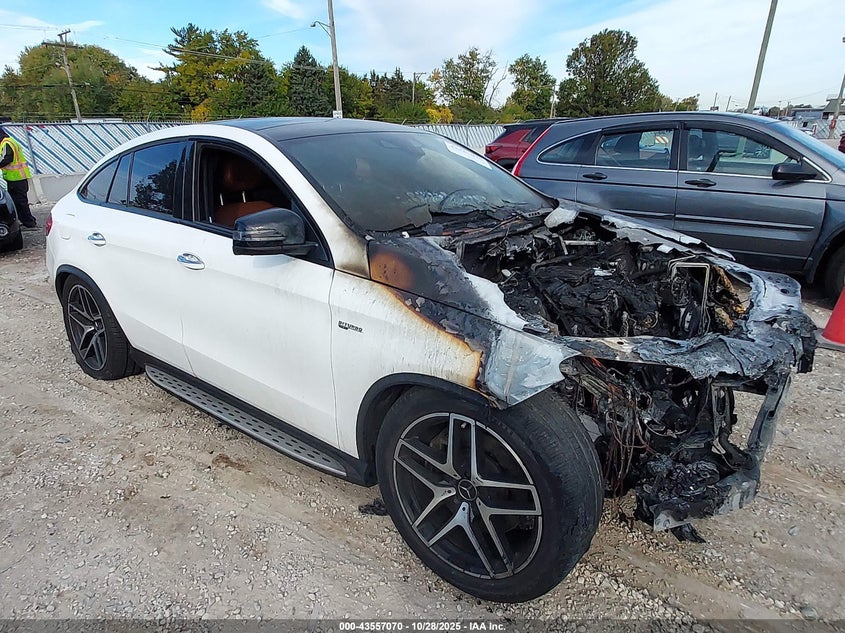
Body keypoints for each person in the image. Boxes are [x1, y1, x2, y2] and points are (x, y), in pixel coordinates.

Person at [0, 127, 37, 228]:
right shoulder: (8, 142)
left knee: (21, 202)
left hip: (17, 178)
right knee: (17, 201)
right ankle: (24, 220)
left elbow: (7, 158)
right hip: (15, 178)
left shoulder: (6, 143)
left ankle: (29, 222)